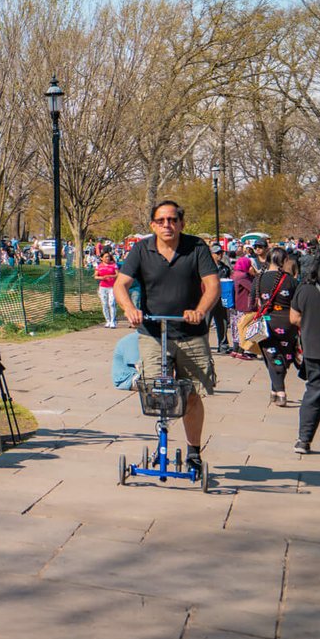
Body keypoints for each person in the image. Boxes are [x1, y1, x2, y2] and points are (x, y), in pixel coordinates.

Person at [112, 200, 220, 473]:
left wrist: (199, 311)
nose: (167, 225)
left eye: (172, 220)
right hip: (153, 331)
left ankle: (193, 451)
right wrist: (130, 309)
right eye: (161, 221)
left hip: (190, 333)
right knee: (153, 390)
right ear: (153, 225)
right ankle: (161, 443)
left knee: (193, 393)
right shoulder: (141, 248)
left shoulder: (196, 247)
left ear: (181, 223)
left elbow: (212, 285)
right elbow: (120, 284)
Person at [254, 248, 299, 407]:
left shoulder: (258, 279)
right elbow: (298, 302)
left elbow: (255, 302)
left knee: (272, 356)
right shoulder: (292, 281)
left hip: (267, 323)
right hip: (289, 323)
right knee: (285, 357)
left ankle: (281, 392)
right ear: (284, 260)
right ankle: (275, 390)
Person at [288, 256, 320, 453]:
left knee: (314, 392)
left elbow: (294, 318)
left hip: (314, 348)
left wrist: (309, 324)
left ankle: (303, 439)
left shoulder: (305, 289)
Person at [96, 248, 119, 328]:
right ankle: (108, 321)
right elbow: (95, 276)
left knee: (111, 303)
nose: (107, 258)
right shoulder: (99, 266)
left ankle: (113, 321)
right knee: (104, 304)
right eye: (106, 257)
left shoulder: (113, 265)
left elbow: (117, 275)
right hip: (103, 287)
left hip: (112, 287)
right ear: (102, 258)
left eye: (108, 257)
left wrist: (110, 276)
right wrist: (101, 278)